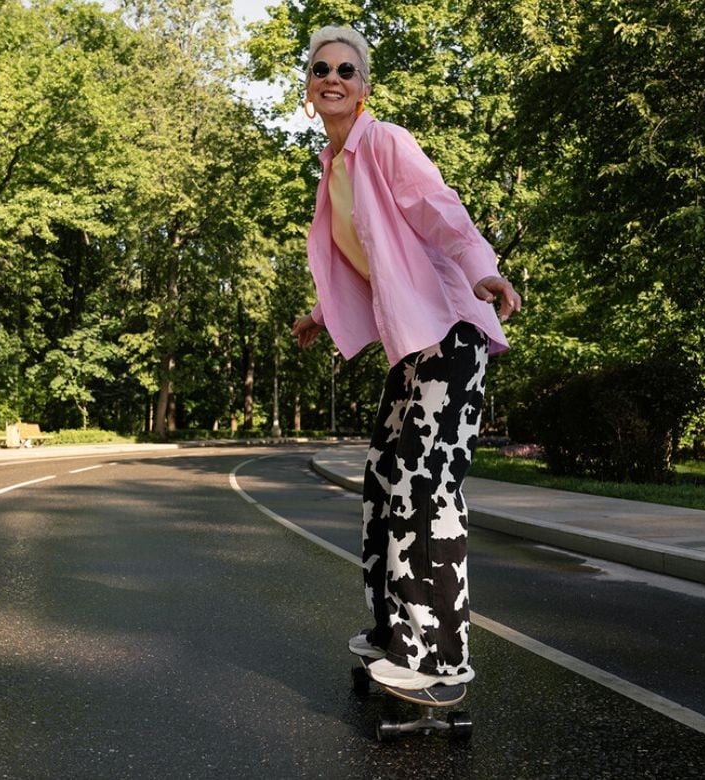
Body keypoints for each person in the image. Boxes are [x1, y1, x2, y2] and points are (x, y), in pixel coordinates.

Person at [291, 25, 521, 691]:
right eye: (320, 68)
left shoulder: (384, 143)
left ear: (363, 88)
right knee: (383, 479)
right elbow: (369, 265)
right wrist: (320, 315)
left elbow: (438, 211)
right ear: (308, 86)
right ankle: (395, 631)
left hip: (450, 333)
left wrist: (483, 269)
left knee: (425, 487)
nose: (332, 77)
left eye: (346, 70)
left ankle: (439, 656)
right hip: (411, 347)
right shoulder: (335, 168)